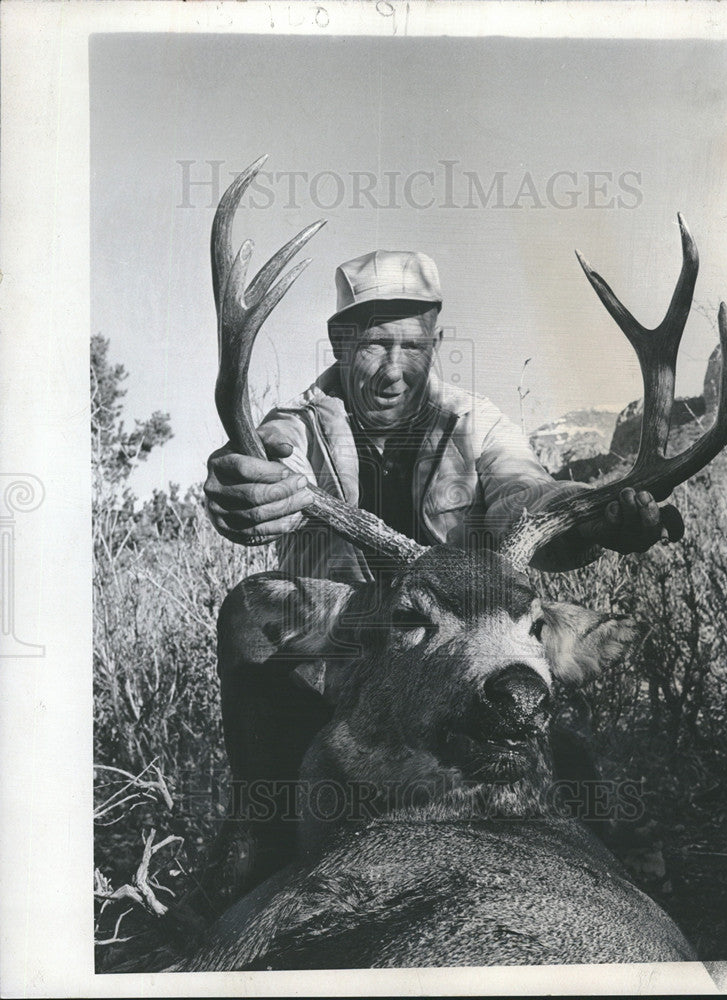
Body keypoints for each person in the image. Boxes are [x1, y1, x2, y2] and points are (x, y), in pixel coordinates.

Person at [202, 250, 674, 893]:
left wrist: (593, 518)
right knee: (250, 612)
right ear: (341, 340)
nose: (394, 370)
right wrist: (256, 489)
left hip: (460, 648)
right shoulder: (299, 426)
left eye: (413, 345)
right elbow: (274, 464)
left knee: (560, 750)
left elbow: (525, 493)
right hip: (354, 638)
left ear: (437, 342)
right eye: (373, 344)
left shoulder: (475, 423)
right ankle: (258, 830)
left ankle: (600, 839)